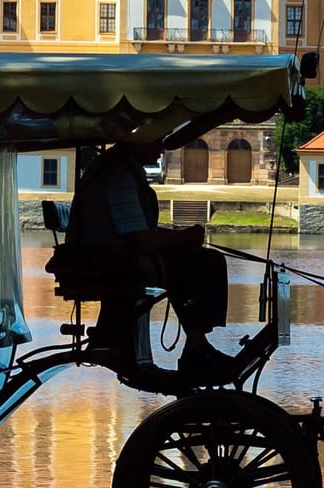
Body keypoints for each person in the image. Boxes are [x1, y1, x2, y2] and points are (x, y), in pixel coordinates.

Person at [57, 141, 232, 376]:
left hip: (109, 257)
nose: (162, 147)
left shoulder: (119, 168)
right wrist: (183, 238)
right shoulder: (120, 175)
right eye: (157, 141)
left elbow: (137, 232)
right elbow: (143, 242)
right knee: (208, 262)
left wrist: (180, 238)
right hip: (112, 263)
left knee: (194, 261)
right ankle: (196, 347)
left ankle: (196, 344)